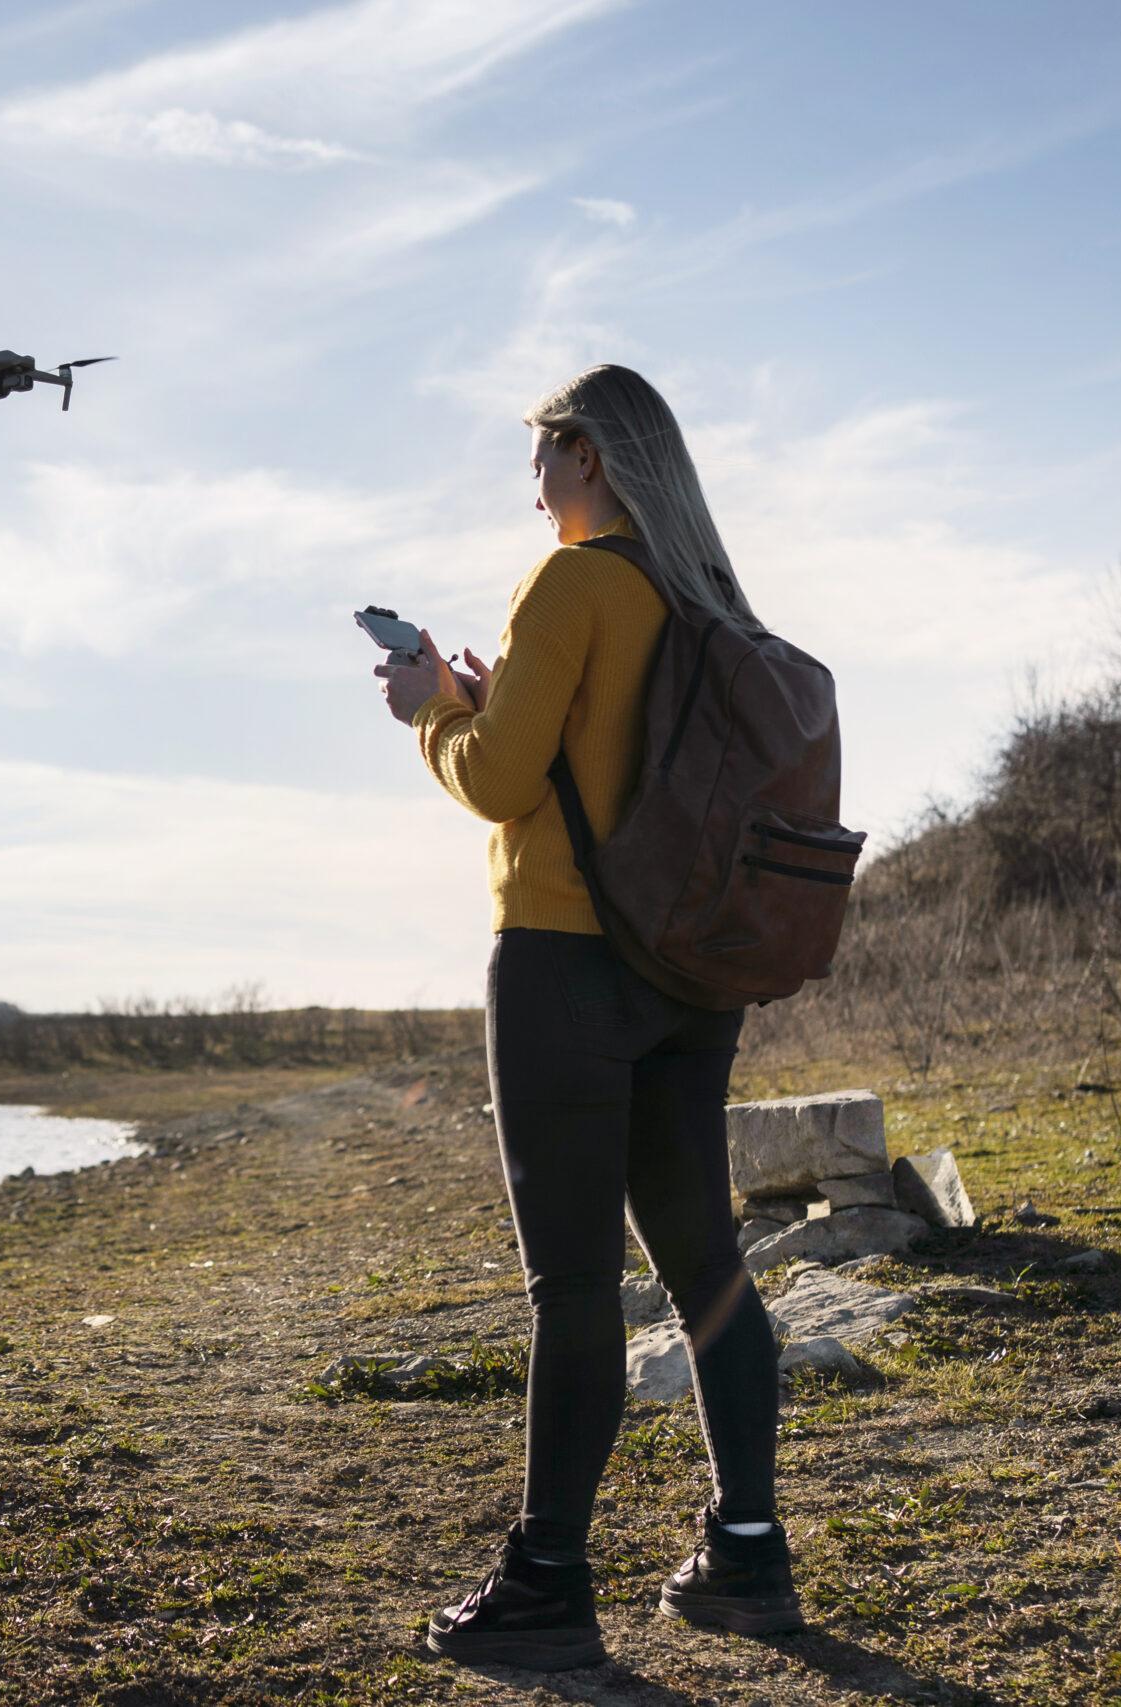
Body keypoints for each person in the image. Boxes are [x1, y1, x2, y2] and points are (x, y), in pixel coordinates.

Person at [374, 364, 804, 1672]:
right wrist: (507, 697)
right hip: (687, 969)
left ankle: (550, 1584)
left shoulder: (569, 583)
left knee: (572, 1282)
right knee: (703, 1258)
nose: (535, 475)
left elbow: (506, 781)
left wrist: (433, 715)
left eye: (547, 450)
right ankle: (748, 1554)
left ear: (595, 458)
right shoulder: (698, 596)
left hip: (565, 957)